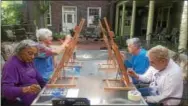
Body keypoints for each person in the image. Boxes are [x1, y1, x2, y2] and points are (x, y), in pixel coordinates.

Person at [1, 39, 46, 106]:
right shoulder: (11, 66)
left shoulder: (28, 60)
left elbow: (37, 75)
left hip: (35, 97)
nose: (33, 57)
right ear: (20, 51)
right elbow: (6, 90)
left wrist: (46, 85)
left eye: (34, 54)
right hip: (21, 102)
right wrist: (26, 89)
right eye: (30, 53)